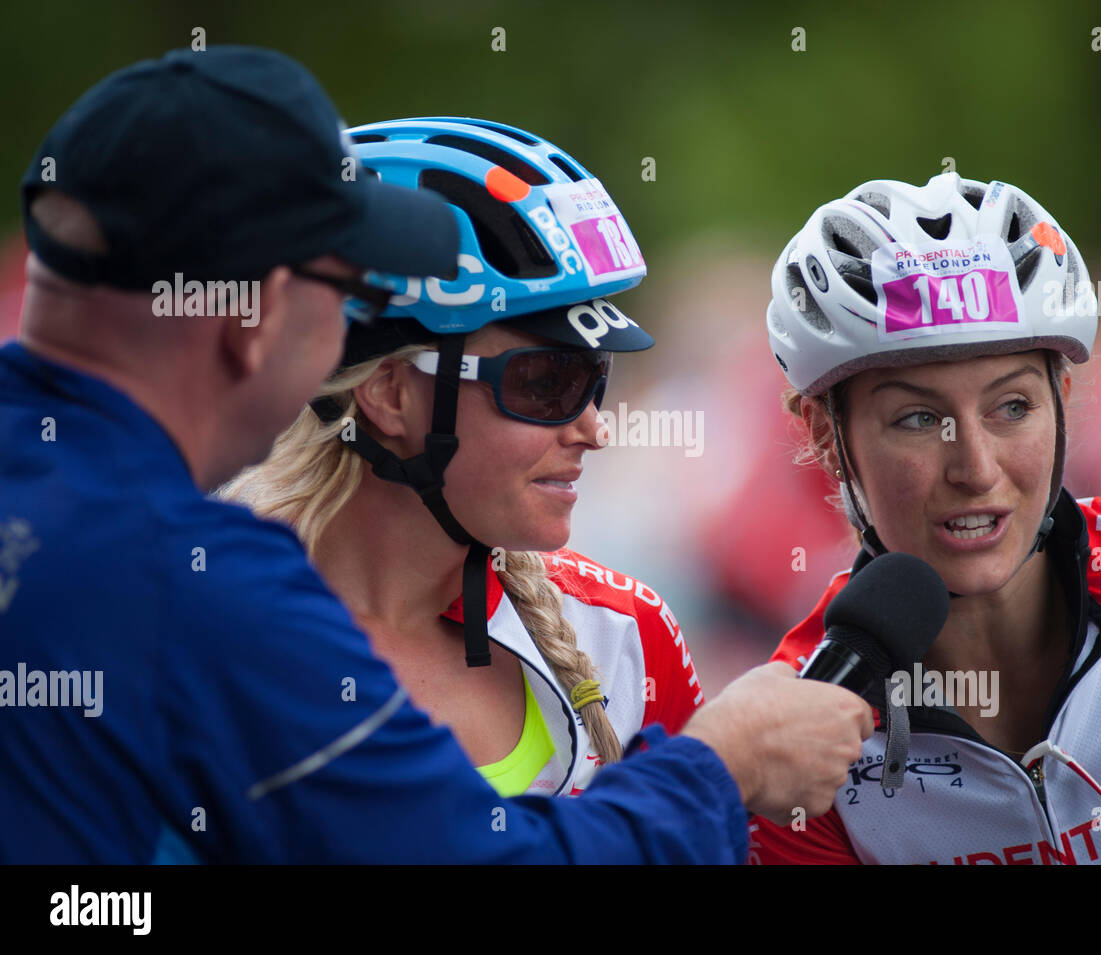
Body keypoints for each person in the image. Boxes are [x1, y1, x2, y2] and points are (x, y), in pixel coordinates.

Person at [0, 45, 873, 864]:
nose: (340, 340)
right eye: (342, 293)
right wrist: (720, 766)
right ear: (257, 319)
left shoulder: (97, 520)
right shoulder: (197, 586)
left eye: (598, 378)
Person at [748, 171, 1101, 865]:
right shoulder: (806, 731)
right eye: (918, 418)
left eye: (1012, 407)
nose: (976, 468)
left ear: (1062, 401)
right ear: (828, 437)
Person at [223, 118, 705, 795]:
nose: (595, 431)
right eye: (547, 383)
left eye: (597, 378)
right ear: (389, 392)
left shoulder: (625, 634)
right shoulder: (207, 642)